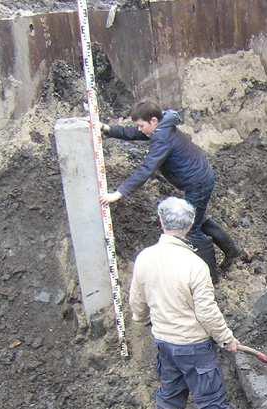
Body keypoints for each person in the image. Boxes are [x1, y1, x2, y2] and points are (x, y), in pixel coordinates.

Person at [129, 196, 255, 409]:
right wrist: (226, 339)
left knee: (171, 386)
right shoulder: (195, 265)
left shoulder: (145, 258)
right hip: (194, 345)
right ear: (188, 227)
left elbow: (137, 301)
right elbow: (207, 312)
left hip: (164, 341)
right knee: (209, 393)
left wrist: (141, 320)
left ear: (161, 221)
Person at [101, 100, 241, 283]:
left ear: (152, 121)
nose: (139, 129)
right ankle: (232, 252)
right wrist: (108, 129)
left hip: (197, 183)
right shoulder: (163, 124)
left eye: (141, 125)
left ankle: (211, 278)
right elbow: (133, 133)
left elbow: (147, 168)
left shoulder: (162, 137)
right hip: (200, 177)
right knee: (199, 219)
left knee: (191, 230)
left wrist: (119, 193)